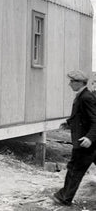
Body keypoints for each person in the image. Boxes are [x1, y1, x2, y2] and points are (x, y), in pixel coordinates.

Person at [52, 70, 96, 206]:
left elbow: (95, 120)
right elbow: (82, 117)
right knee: (75, 169)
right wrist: (69, 122)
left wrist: (89, 138)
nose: (69, 84)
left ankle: (64, 197)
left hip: (85, 143)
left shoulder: (86, 97)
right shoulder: (82, 95)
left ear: (80, 83)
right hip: (90, 142)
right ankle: (64, 195)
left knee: (74, 170)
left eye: (72, 81)